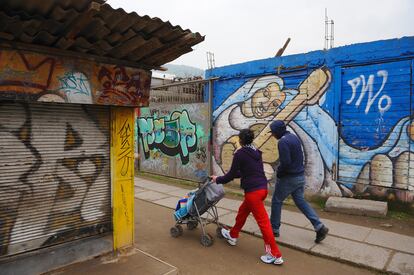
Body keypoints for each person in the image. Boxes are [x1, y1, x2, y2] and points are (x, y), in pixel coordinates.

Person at [211, 129, 283, 265]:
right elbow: (245, 171)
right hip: (262, 188)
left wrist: (217, 179)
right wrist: (223, 178)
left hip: (253, 193)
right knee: (242, 212)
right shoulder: (256, 152)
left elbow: (231, 175)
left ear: (241, 140)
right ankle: (232, 235)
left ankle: (275, 254)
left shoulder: (240, 154)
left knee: (264, 223)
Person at [269, 120, 329, 243]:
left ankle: (274, 229)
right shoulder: (293, 137)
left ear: (278, 132)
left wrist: (279, 173)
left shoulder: (283, 142)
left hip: (289, 178)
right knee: (301, 202)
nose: (272, 135)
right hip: (300, 176)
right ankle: (319, 226)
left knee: (276, 201)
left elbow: (285, 163)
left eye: (273, 132)